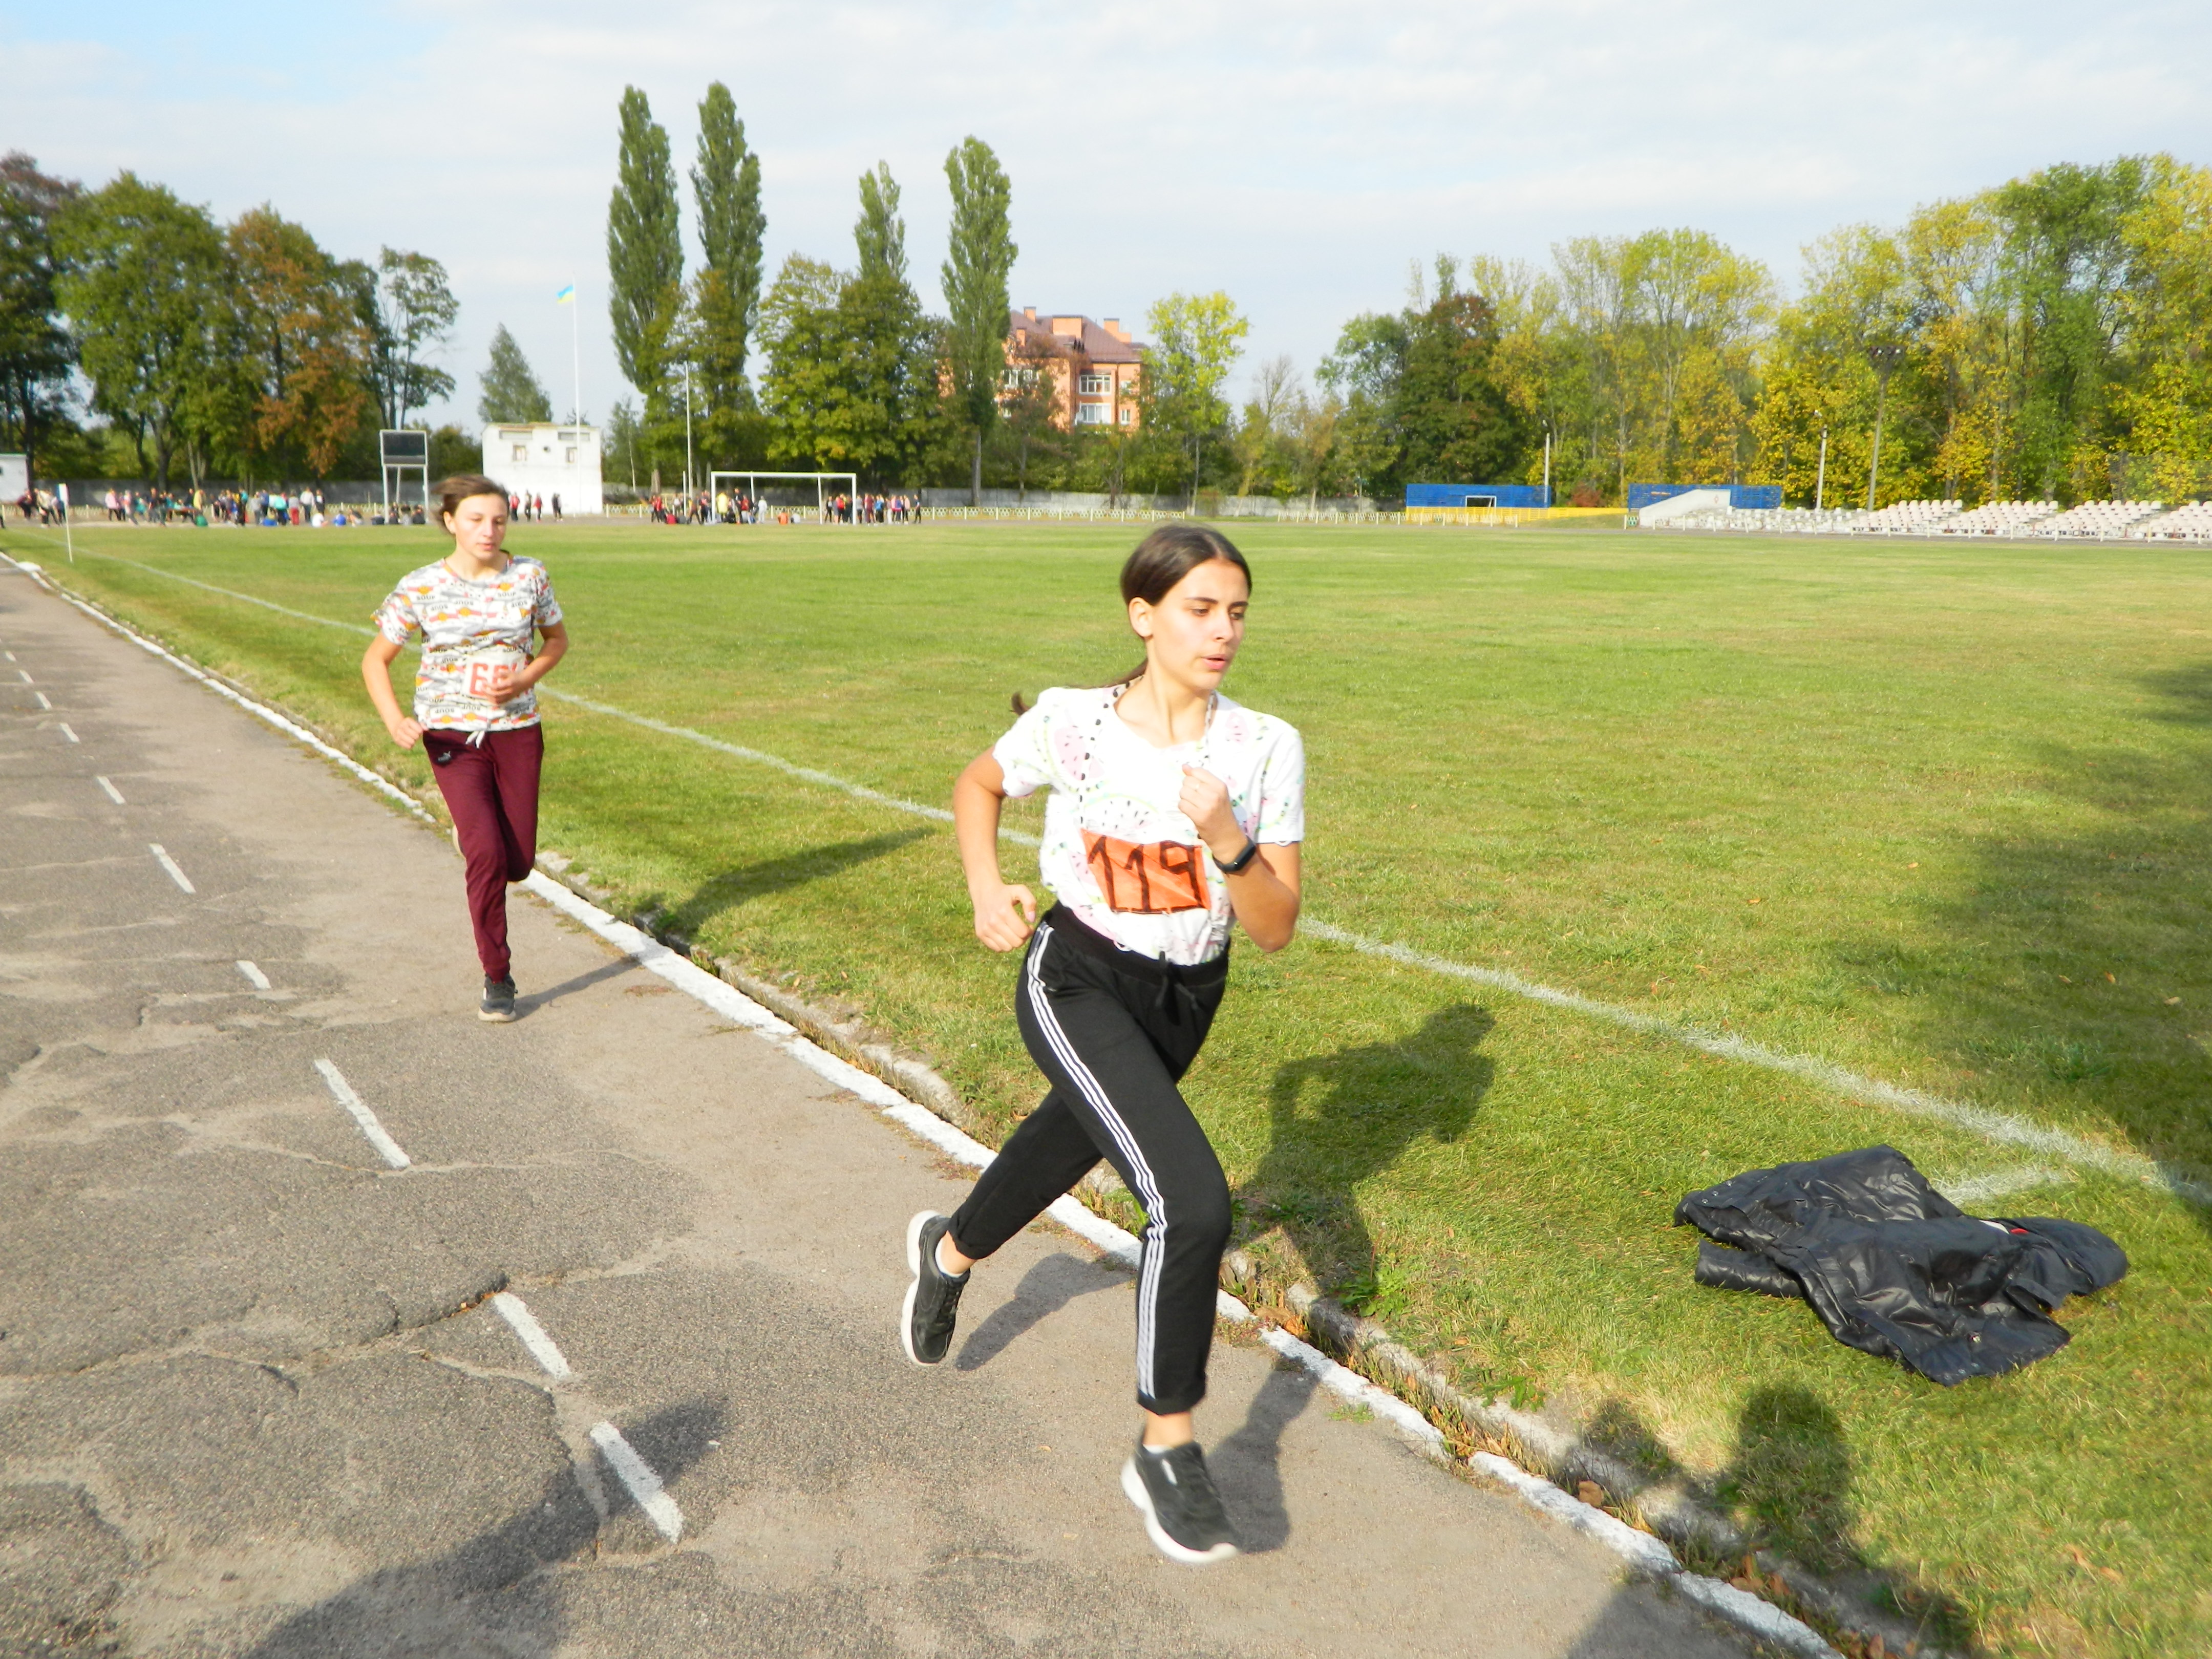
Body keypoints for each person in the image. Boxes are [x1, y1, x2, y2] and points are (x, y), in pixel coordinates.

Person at [901, 524, 1305, 1565]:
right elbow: (976, 784)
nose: (1224, 631)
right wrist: (988, 889)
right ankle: (1167, 1445)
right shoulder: (1074, 723)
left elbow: (1274, 924)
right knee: (1192, 1199)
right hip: (1074, 974)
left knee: (1063, 1142)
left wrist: (1230, 842)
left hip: (1186, 997)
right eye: (1201, 610)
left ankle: (946, 1251)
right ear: (1144, 615)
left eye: (1238, 612)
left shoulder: (1263, 746)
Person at [359, 474, 569, 1022]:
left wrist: (525, 680)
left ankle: (475, 833)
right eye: (476, 519)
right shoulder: (422, 587)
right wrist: (395, 720)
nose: (489, 530)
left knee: (518, 862)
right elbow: (375, 660)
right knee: (487, 855)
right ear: (450, 521)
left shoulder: (529, 576)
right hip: (452, 735)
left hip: (518, 730)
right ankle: (497, 976)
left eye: (498, 520)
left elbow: (557, 641)